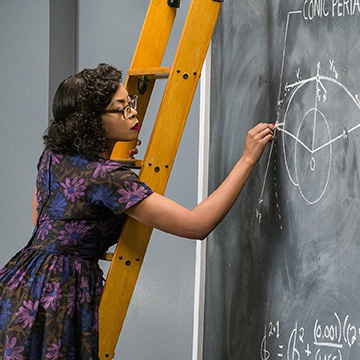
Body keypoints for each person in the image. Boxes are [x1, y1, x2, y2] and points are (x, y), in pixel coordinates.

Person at [0, 63, 274, 359]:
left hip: (19, 284)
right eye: (122, 108)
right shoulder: (108, 178)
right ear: (91, 121)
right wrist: (247, 159)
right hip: (59, 298)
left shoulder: (53, 157)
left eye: (130, 102)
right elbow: (197, 225)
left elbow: (39, 218)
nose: (133, 112)